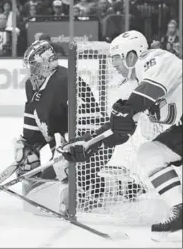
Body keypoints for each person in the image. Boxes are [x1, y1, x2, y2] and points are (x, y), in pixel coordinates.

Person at [63, 30, 182, 237]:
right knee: (150, 153)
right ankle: (180, 211)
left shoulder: (157, 60)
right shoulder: (129, 85)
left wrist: (127, 110)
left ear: (132, 55)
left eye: (116, 57)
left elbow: (145, 96)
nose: (113, 63)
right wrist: (89, 143)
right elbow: (120, 130)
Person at [13, 40, 144, 213]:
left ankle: (122, 187)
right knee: (39, 191)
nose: (32, 71)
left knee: (73, 192)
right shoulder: (31, 85)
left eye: (35, 66)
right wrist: (28, 147)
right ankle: (107, 186)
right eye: (31, 67)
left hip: (91, 145)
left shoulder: (66, 82)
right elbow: (34, 118)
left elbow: (91, 125)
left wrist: (71, 148)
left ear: (47, 63)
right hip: (62, 150)